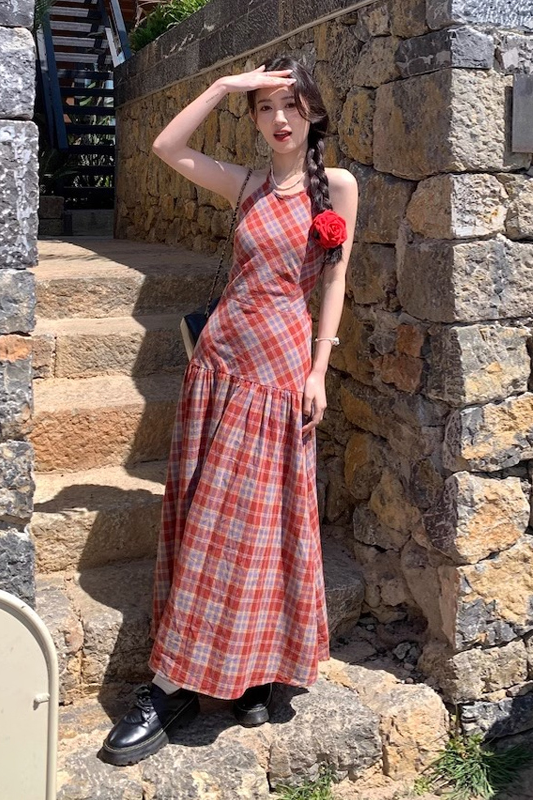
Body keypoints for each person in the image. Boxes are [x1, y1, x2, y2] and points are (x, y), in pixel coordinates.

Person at [99, 56, 358, 767]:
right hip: (218, 364)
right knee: (209, 519)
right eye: (266, 107)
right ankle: (188, 680)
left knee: (258, 523)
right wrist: (222, 86)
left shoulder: (336, 187)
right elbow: (167, 147)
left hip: (280, 369)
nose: (279, 118)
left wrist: (319, 370)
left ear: (313, 113)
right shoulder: (245, 184)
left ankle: (217, 675)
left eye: (291, 105)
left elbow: (334, 284)